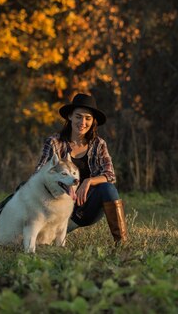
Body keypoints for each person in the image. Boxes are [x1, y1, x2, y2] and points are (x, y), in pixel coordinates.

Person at [33, 93, 128, 244]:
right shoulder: (54, 143)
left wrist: (88, 181)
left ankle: (122, 242)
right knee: (22, 192)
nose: (83, 122)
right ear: (70, 116)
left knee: (108, 189)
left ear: (93, 121)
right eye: (78, 116)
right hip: (56, 207)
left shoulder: (99, 144)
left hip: (84, 210)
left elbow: (110, 175)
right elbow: (39, 174)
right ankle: (46, 231)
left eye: (88, 118)